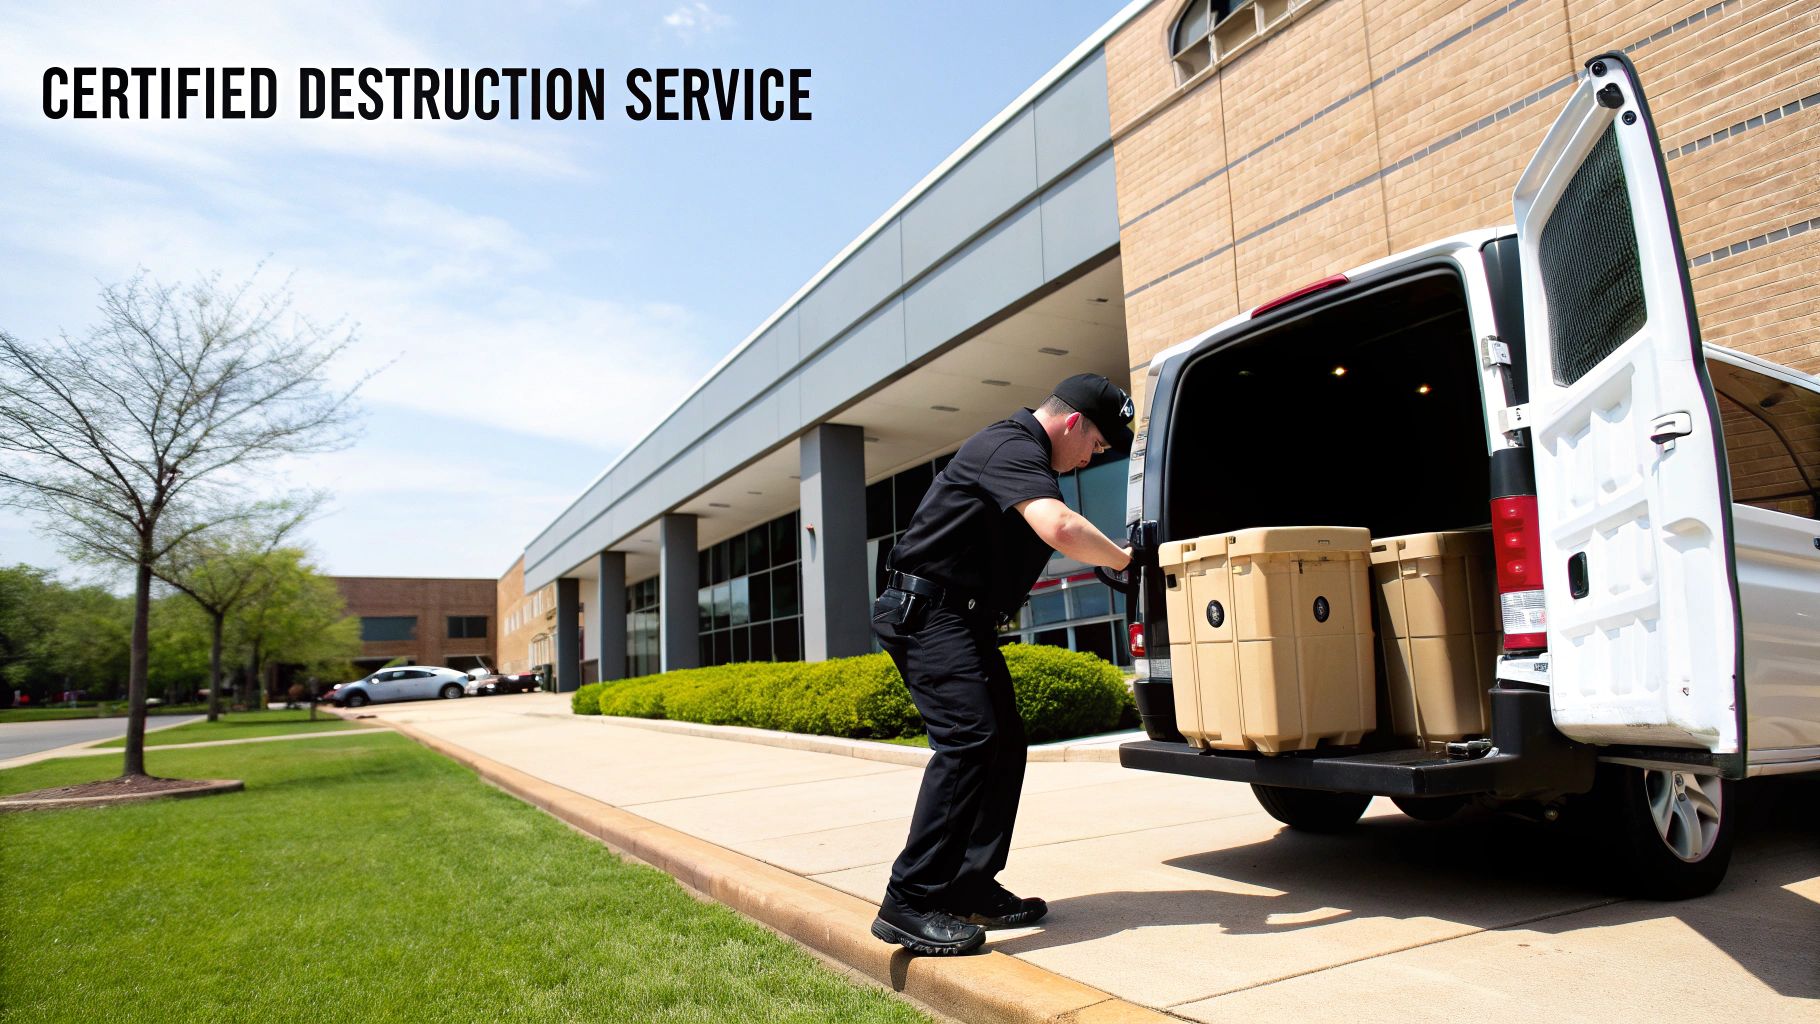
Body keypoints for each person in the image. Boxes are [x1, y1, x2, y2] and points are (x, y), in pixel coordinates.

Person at [869, 372, 1138, 955]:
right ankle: (908, 901)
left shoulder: (1028, 461)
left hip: (956, 616)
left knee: (1003, 741)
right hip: (927, 611)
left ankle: (968, 883)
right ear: (1073, 423)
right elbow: (1060, 528)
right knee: (970, 738)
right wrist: (1123, 559)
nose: (1093, 457)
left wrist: (1104, 567)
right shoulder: (1011, 447)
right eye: (1096, 445)